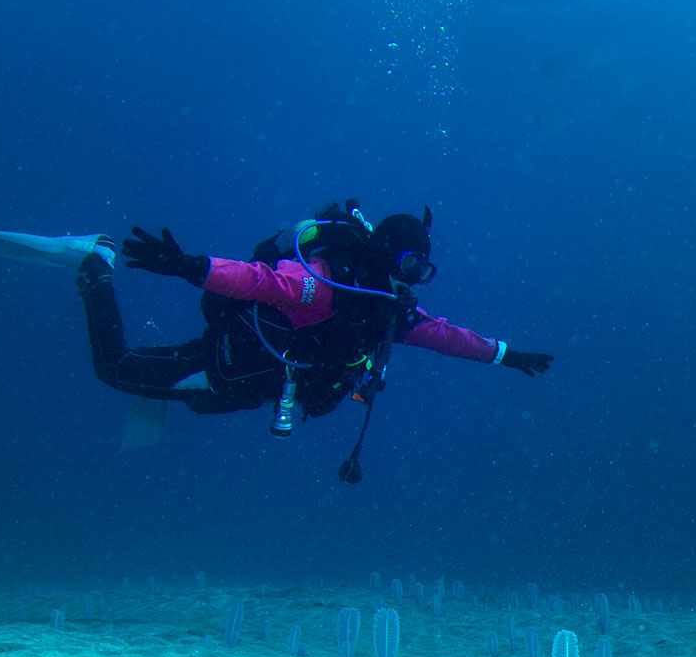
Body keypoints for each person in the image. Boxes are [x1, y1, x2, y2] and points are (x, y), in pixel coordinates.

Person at [71, 199, 551, 481]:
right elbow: (257, 280)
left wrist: (506, 356)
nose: (414, 279)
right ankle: (96, 264)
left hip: (257, 388)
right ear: (386, 252)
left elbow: (447, 337)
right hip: (226, 365)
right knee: (113, 369)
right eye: (409, 265)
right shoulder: (322, 284)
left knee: (199, 403)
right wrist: (188, 266)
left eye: (421, 270)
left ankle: (166, 380)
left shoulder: (388, 310)